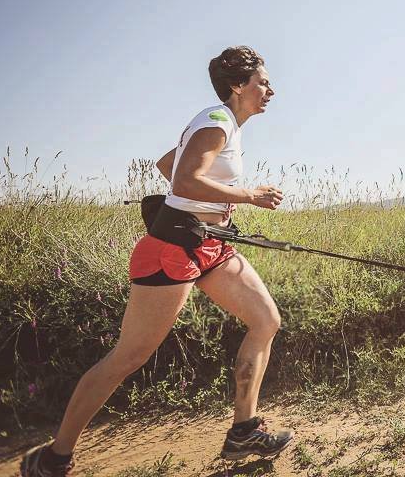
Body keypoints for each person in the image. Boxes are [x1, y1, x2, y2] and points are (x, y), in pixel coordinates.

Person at [21, 46, 293, 476]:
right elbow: (184, 176)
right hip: (171, 247)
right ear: (238, 87)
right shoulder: (217, 121)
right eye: (263, 82)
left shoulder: (226, 126)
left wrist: (211, 210)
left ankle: (244, 429)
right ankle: (54, 457)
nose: (270, 90)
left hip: (208, 243)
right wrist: (247, 196)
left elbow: (168, 164)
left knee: (265, 320)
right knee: (129, 356)